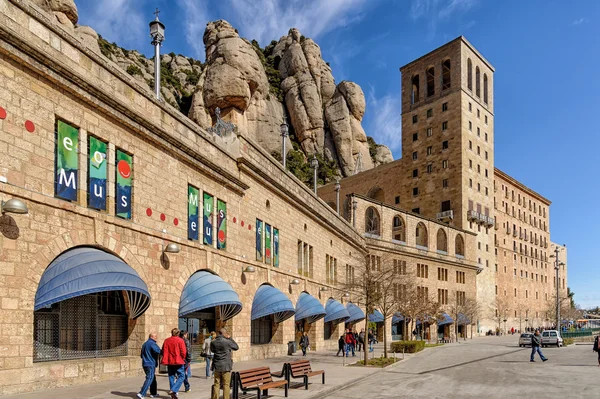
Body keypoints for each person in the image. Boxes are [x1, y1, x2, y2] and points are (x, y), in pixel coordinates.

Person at [210, 328, 239, 399]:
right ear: (224, 334)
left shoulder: (213, 342)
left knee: (216, 384)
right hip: (226, 366)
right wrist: (230, 338)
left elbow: (212, 350)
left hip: (217, 365)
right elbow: (236, 347)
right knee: (226, 384)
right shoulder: (227, 342)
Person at [161, 328, 187, 399]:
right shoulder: (180, 340)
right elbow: (183, 352)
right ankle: (173, 390)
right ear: (178, 333)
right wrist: (183, 358)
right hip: (178, 360)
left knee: (171, 376)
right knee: (181, 376)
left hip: (170, 361)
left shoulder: (166, 340)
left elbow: (163, 350)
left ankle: (173, 394)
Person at [137, 332, 160, 399]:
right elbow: (158, 351)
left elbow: (141, 355)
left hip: (145, 363)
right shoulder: (152, 343)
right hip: (150, 364)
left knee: (153, 378)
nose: (156, 338)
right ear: (152, 337)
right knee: (149, 378)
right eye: (155, 337)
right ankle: (141, 393)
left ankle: (153, 393)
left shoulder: (144, 344)